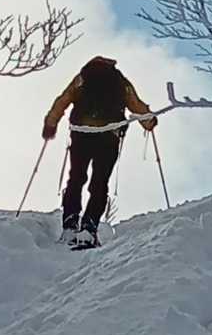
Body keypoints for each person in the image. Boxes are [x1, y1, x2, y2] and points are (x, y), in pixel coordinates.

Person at [42, 55, 157, 247]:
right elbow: (136, 105)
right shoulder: (119, 80)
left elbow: (63, 100)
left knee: (76, 178)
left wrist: (50, 124)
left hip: (81, 133)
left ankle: (70, 225)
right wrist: (149, 122)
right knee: (100, 183)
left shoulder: (83, 77)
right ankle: (89, 228)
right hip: (108, 136)